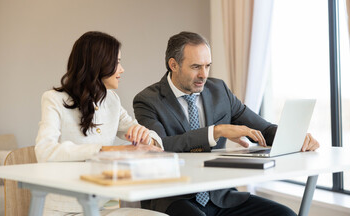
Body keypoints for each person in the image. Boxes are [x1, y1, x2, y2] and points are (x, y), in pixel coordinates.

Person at [133, 31, 320, 216]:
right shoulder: (148, 100)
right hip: (174, 197)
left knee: (284, 214)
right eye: (196, 66)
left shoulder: (219, 90)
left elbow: (262, 128)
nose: (203, 75)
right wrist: (215, 132)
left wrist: (295, 137)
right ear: (173, 64)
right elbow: (159, 146)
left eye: (207, 66)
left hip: (220, 196)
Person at [35, 31, 166, 216]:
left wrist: (146, 137)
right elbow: (44, 151)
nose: (122, 69)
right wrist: (109, 150)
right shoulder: (54, 99)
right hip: (65, 211)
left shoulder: (111, 100)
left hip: (103, 207)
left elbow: (147, 134)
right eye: (117, 62)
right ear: (98, 63)